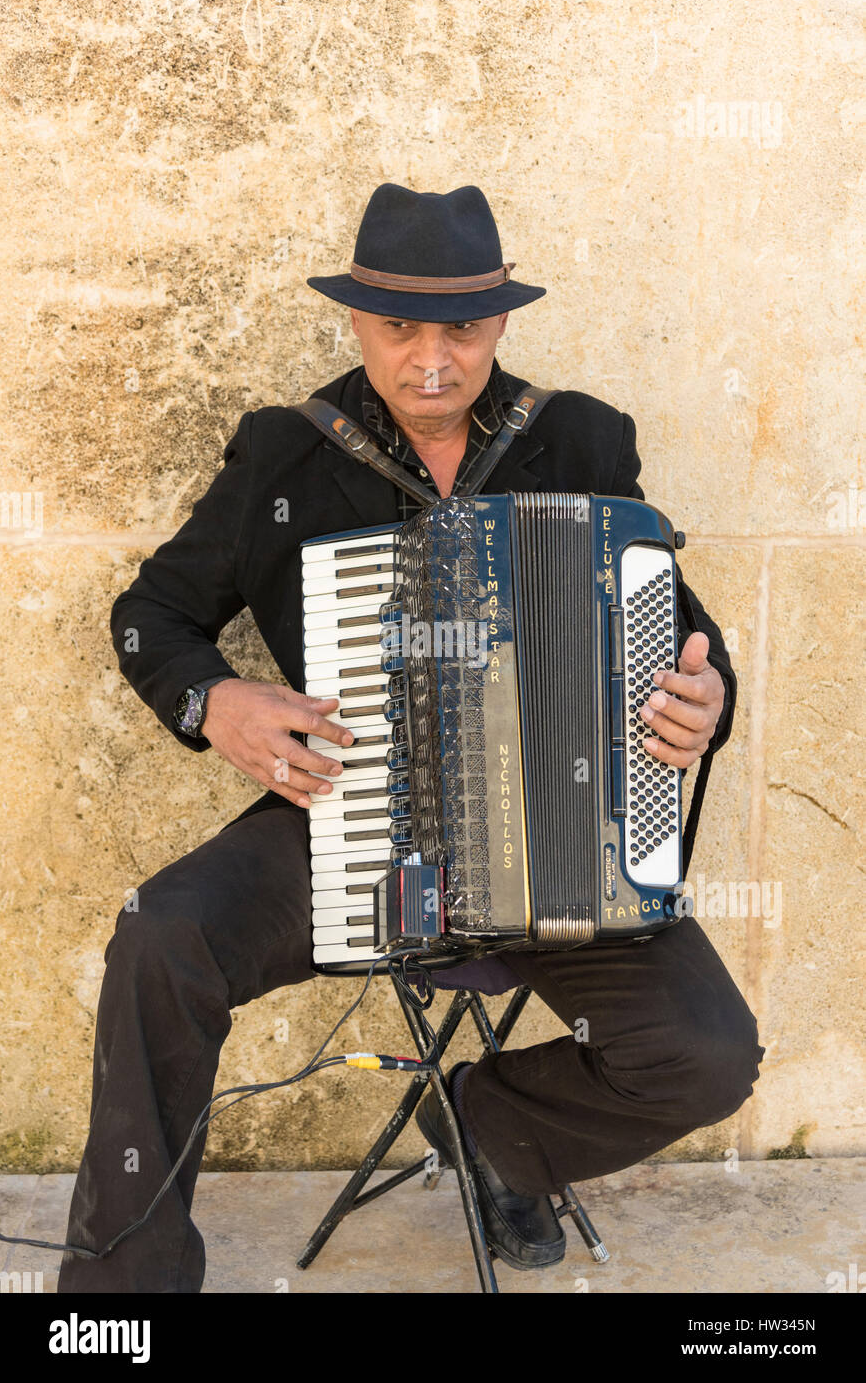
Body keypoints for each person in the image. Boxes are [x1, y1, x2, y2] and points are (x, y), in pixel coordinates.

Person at [58, 183, 763, 1292]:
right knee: (162, 936)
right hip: (354, 820)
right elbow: (152, 616)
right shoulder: (286, 456)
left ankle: (484, 1126)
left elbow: (676, 628)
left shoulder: (576, 438)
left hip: (560, 841)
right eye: (399, 328)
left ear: (500, 325)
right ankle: (120, 1295)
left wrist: (704, 698)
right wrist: (216, 703)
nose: (432, 360)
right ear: (354, 322)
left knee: (710, 1054)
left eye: (464, 330)